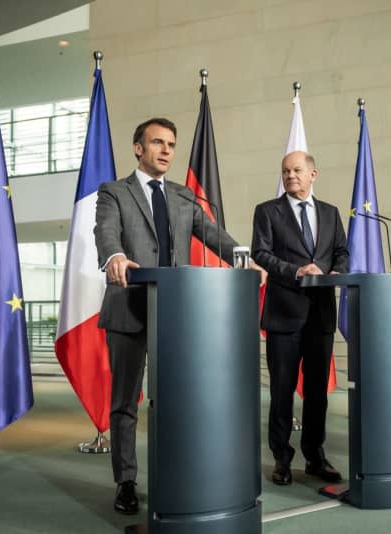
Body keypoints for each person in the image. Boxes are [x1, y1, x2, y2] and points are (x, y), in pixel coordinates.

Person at [94, 117, 264, 514]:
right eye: (157, 143)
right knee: (125, 401)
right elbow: (106, 232)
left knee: (175, 400)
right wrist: (115, 256)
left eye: (171, 143)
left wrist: (245, 259)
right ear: (139, 148)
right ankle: (126, 481)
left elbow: (214, 235)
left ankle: (176, 474)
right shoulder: (114, 192)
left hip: (178, 315)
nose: (167, 150)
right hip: (129, 309)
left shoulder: (185, 196)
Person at [251, 151, 349, 486]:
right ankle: (281, 458)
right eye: (285, 171)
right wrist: (296, 271)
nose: (290, 175)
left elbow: (342, 251)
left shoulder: (331, 213)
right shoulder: (267, 211)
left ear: (313, 174)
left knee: (318, 392)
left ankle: (315, 456)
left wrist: (337, 271)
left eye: (296, 170)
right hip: (283, 315)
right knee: (281, 391)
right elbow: (261, 253)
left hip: (320, 315)